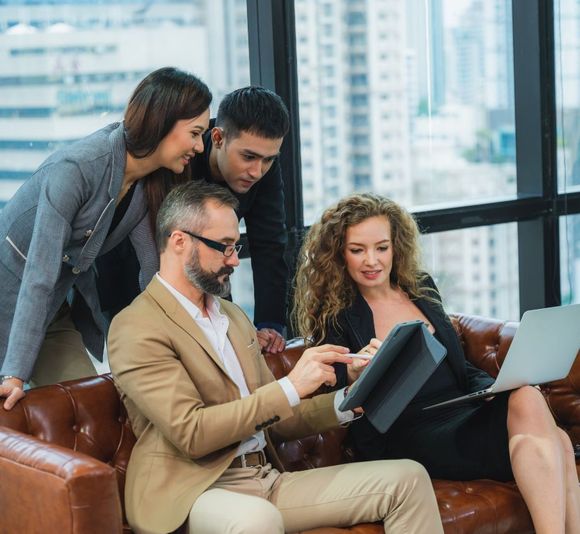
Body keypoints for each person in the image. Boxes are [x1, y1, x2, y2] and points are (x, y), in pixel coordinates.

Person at [107, 182, 444, 534]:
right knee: (258, 519)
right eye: (223, 247)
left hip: (265, 478)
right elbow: (192, 431)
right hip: (192, 492)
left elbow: (277, 420)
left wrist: (355, 395)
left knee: (407, 478)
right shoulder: (136, 327)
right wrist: (292, 385)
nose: (235, 259)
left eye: (235, 246)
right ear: (179, 242)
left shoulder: (232, 316)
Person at [293, 192, 580, 534]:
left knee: (534, 405)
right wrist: (358, 373)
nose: (372, 260)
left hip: (461, 412)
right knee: (555, 438)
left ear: (395, 246)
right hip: (409, 433)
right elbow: (341, 396)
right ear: (340, 253)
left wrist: (486, 389)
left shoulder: (421, 288)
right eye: (358, 250)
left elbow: (454, 365)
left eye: (381, 247)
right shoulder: (336, 316)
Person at [0, 66, 212, 411]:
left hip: (52, 311)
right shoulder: (78, 168)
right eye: (195, 133)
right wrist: (14, 374)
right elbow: (39, 274)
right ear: (163, 121)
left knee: (87, 407)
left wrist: (192, 338)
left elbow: (152, 272)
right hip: (14, 296)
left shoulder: (145, 186)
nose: (199, 147)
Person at [99, 86, 289, 353]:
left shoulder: (261, 162)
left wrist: (270, 323)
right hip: (134, 272)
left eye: (269, 159)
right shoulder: (182, 154)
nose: (257, 171)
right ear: (219, 138)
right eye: (248, 157)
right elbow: (158, 246)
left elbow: (270, 244)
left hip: (209, 274)